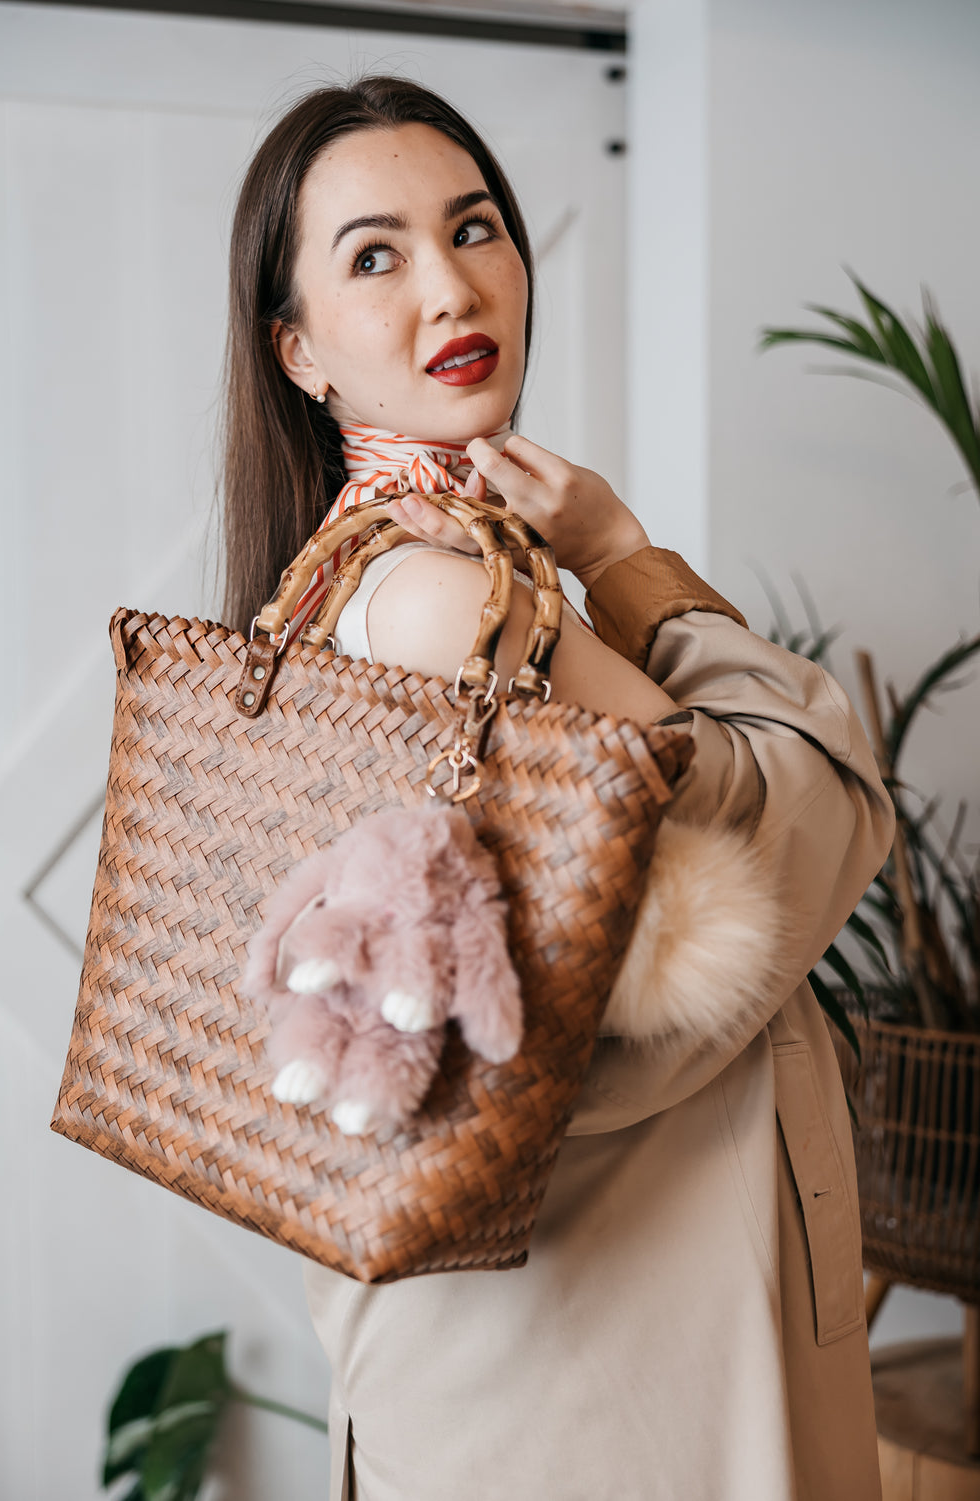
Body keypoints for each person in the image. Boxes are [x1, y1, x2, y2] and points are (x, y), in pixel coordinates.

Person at [221, 76, 894, 1501]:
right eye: (375, 255)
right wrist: (622, 550)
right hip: (595, 1400)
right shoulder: (440, 601)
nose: (453, 286)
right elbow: (808, 802)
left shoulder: (382, 572)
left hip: (569, 1361)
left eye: (474, 228)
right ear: (299, 352)